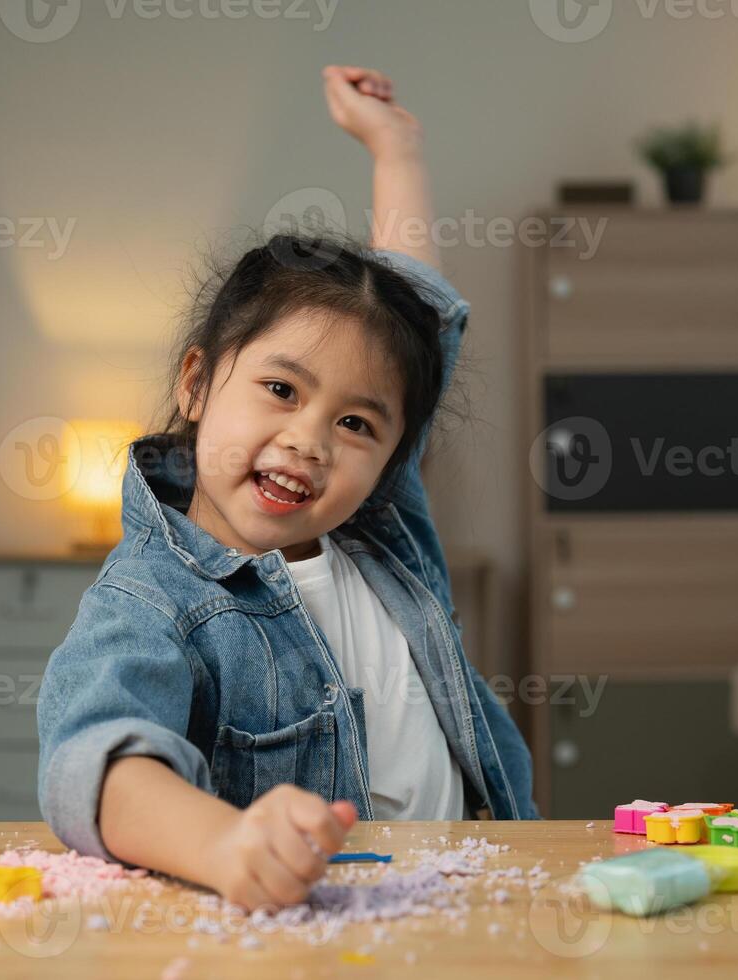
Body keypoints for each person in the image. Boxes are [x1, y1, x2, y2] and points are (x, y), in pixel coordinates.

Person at [37, 65, 536, 911]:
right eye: (280, 390)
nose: (309, 439)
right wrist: (225, 843)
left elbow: (422, 313)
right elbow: (99, 762)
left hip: (473, 903)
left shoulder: (381, 527)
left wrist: (396, 149)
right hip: (312, 930)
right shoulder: (150, 599)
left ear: (390, 457)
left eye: (356, 424)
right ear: (196, 384)